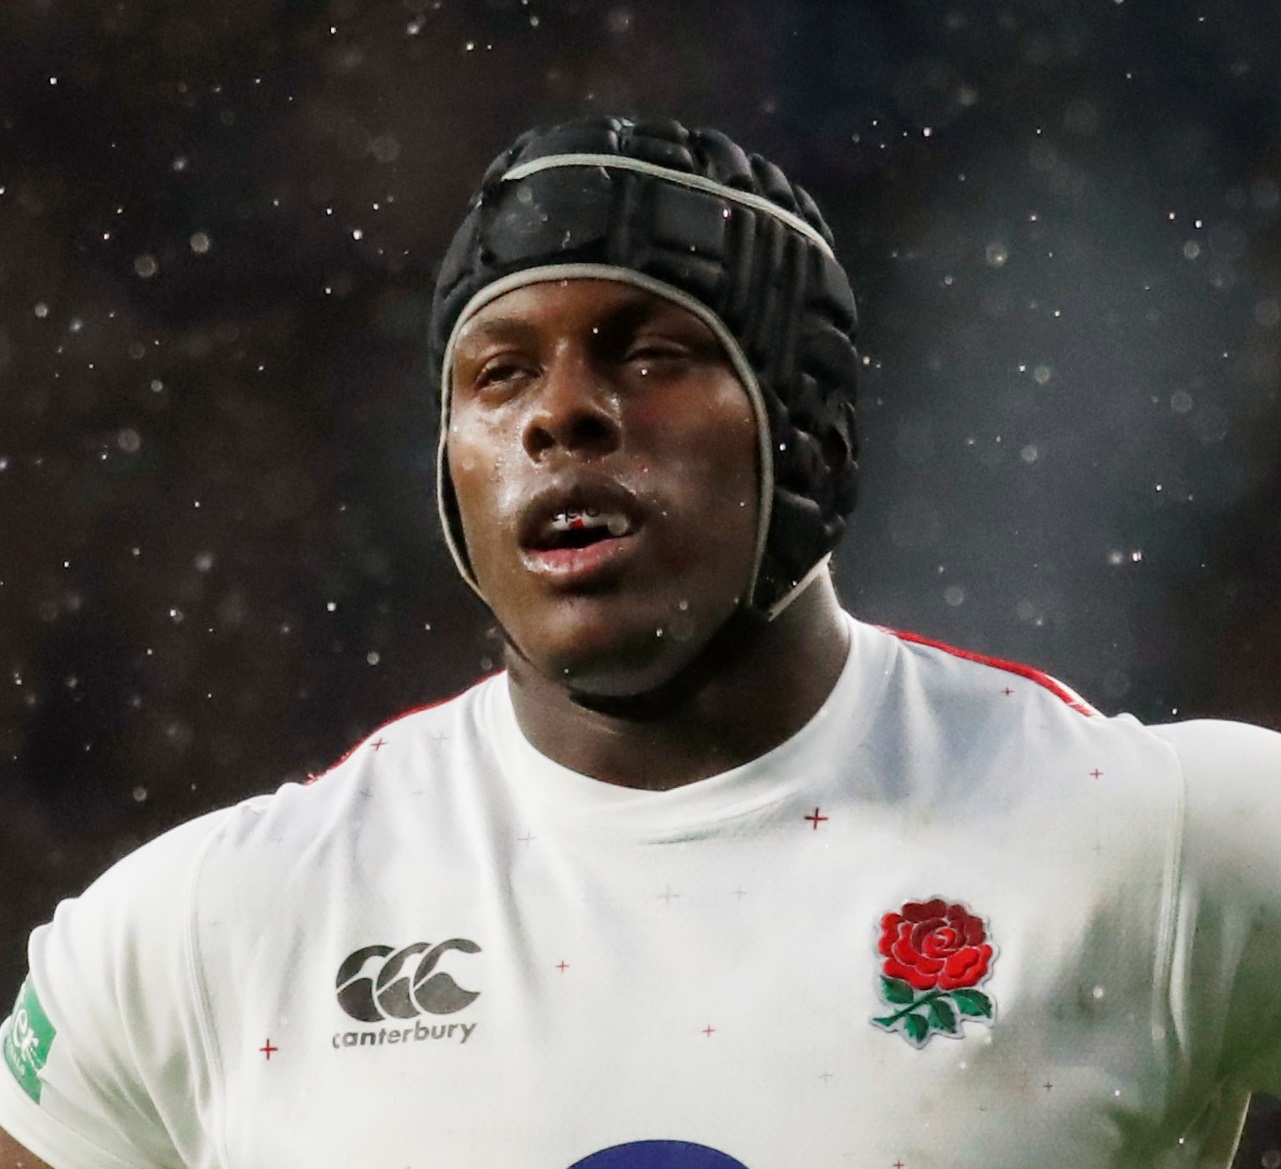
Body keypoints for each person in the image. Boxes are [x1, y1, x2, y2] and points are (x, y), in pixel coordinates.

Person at [2, 114, 1280, 1169]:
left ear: (814, 436)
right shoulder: (209, 928)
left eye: (652, 352)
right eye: (499, 372)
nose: (561, 414)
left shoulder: (1161, 839)